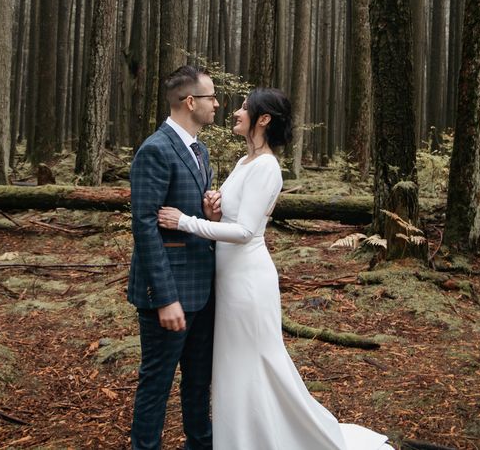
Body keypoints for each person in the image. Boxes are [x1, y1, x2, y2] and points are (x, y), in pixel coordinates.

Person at [158, 88, 392, 450]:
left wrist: (186, 222)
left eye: (244, 108)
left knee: (257, 361)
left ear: (263, 119)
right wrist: (212, 212)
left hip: (249, 283)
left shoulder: (268, 167)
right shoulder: (243, 163)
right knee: (235, 365)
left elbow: (246, 231)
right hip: (229, 279)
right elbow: (231, 219)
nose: (235, 112)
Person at [127, 65, 223, 450]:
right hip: (169, 294)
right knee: (157, 382)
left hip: (203, 288)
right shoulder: (155, 150)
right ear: (189, 101)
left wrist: (211, 216)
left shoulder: (200, 150)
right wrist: (165, 298)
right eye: (210, 97)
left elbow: (192, 217)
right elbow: (144, 225)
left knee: (199, 381)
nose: (216, 104)